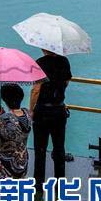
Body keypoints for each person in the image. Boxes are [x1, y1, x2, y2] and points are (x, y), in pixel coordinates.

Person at [30, 49, 72, 188]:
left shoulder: (39, 63)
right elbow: (66, 82)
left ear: (44, 48)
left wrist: (31, 110)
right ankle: (60, 182)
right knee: (59, 148)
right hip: (59, 110)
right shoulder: (64, 61)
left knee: (40, 148)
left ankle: (38, 182)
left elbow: (36, 90)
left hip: (42, 111)